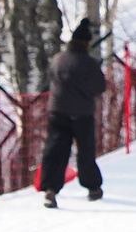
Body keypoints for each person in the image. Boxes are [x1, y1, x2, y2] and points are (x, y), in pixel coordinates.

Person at [40, 18, 108, 207]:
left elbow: (51, 77)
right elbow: (100, 86)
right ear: (86, 43)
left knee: (55, 150)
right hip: (82, 114)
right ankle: (92, 187)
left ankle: (50, 190)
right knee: (85, 151)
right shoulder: (88, 63)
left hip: (57, 112)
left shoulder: (58, 59)